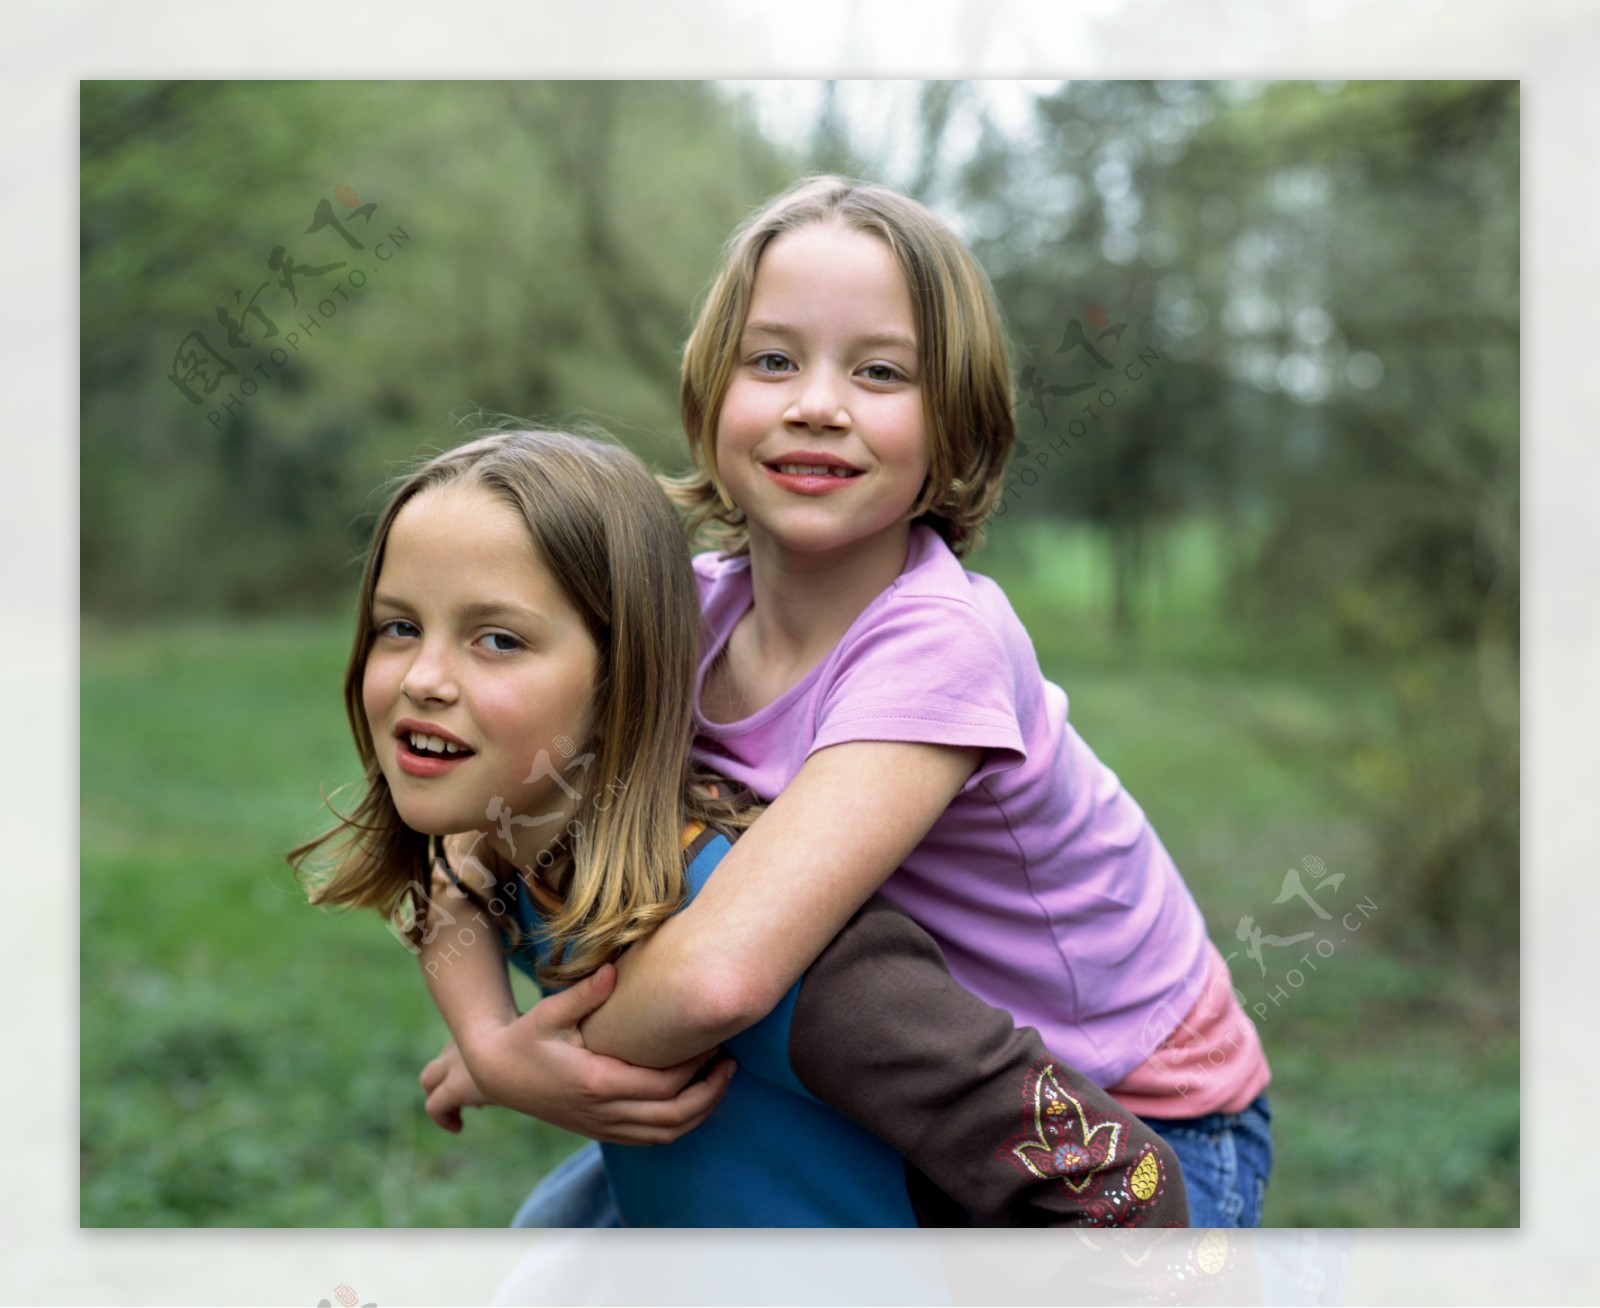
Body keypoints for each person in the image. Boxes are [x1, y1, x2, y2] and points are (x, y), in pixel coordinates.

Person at [529, 176, 1275, 1227]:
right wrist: (477, 1027)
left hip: (1124, 1123)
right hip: (898, 1088)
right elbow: (476, 810)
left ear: (953, 428)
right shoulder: (679, 617)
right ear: (709, 395)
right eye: (773, 359)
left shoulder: (940, 642)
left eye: (879, 371)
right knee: (555, 1249)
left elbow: (718, 981)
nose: (817, 403)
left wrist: (535, 1067)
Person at [292, 427, 1189, 1227]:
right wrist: (494, 1048)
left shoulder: (798, 964)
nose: (423, 679)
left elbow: (1119, 1181)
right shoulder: (506, 834)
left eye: (498, 641)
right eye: (398, 627)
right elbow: (447, 884)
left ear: (626, 676)